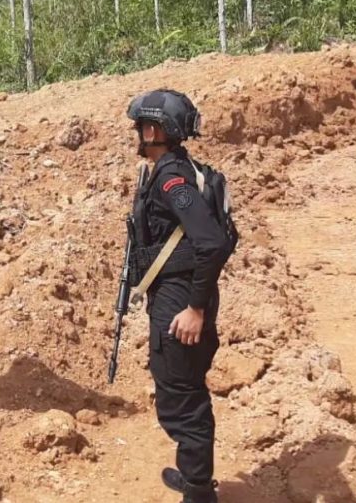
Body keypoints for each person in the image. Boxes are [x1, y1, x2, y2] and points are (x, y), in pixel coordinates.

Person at [126, 89, 233, 503]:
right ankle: (194, 478)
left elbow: (212, 243)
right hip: (178, 293)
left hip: (182, 301)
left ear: (155, 129)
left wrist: (195, 309)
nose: (138, 133)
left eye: (141, 126)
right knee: (182, 388)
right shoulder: (171, 169)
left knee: (182, 400)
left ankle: (199, 492)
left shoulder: (173, 178)